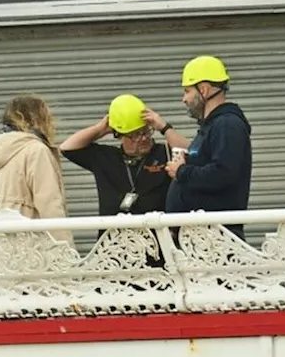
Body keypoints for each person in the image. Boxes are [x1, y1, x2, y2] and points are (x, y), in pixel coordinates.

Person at [163, 56, 252, 239]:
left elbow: (223, 173)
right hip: (200, 238)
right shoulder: (212, 126)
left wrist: (182, 172)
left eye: (187, 91)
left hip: (215, 239)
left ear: (203, 89)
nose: (184, 99)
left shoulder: (227, 124)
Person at [59, 94, 171, 217]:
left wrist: (164, 127)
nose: (143, 138)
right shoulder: (106, 158)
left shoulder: (163, 153)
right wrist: (99, 130)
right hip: (112, 234)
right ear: (120, 136)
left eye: (146, 131)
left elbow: (190, 153)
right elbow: (67, 148)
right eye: (135, 135)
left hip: (156, 232)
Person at [0, 94, 72, 244]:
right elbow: (50, 206)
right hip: (33, 251)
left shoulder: (5, 150)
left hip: (4, 248)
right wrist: (65, 249)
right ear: (37, 118)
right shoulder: (35, 150)